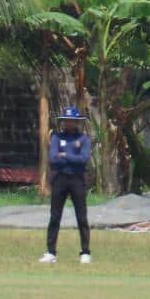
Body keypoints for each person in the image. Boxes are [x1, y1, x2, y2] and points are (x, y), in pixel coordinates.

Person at [41, 106, 92, 264]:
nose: (69, 123)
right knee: (55, 216)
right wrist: (71, 156)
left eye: (72, 121)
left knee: (81, 217)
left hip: (77, 179)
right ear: (63, 122)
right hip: (60, 179)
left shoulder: (83, 139)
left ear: (77, 122)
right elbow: (53, 158)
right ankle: (51, 252)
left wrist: (65, 155)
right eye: (67, 120)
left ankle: (85, 252)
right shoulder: (57, 137)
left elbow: (83, 159)